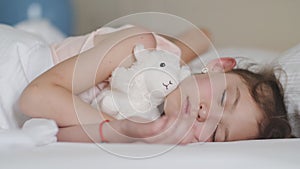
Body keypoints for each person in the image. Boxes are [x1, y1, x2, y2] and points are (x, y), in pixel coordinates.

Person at [18, 25, 291, 144]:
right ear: (219, 65)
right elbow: (35, 98)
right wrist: (118, 127)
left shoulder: (148, 124)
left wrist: (127, 131)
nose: (205, 114)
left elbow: (56, 134)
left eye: (217, 133)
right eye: (223, 99)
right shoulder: (141, 48)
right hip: (15, 66)